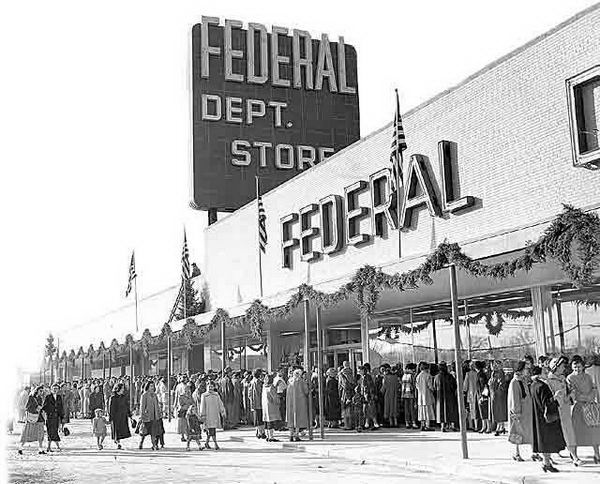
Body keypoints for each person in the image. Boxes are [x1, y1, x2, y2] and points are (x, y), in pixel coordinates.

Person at [530, 365, 565, 473]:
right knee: (547, 441)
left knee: (543, 441)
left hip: (538, 416)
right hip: (546, 418)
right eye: (544, 372)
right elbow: (547, 403)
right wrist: (556, 397)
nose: (546, 373)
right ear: (539, 374)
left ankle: (546, 463)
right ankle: (547, 464)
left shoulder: (533, 385)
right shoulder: (542, 386)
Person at [567, 354, 600, 464]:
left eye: (579, 366)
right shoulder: (570, 378)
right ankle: (574, 455)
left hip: (590, 406)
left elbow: (594, 388)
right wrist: (585, 398)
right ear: (572, 367)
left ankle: (596, 454)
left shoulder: (588, 376)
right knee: (576, 431)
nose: (577, 369)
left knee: (593, 430)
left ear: (583, 366)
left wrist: (591, 397)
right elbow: (573, 393)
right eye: (575, 367)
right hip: (579, 407)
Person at [547, 356, 578, 464]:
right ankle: (548, 456)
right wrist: (556, 398)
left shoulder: (564, 378)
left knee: (569, 431)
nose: (564, 368)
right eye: (561, 366)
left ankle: (574, 455)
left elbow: (571, 390)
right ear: (555, 367)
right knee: (552, 432)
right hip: (556, 410)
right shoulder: (549, 380)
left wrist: (571, 394)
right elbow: (549, 397)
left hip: (565, 409)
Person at [508, 360, 533, 461]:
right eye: (526, 369)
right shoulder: (515, 382)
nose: (528, 370)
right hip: (519, 412)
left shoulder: (523, 380)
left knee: (530, 431)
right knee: (517, 432)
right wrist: (516, 412)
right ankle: (516, 452)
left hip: (527, 411)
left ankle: (534, 452)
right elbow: (514, 398)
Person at [18, 386, 46, 455]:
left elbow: (41, 407)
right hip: (31, 418)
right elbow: (27, 407)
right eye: (40, 391)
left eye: (42, 391)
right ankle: (20, 448)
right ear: (36, 391)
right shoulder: (31, 398)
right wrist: (35, 409)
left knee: (40, 433)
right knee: (26, 433)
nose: (41, 392)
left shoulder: (40, 398)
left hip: (39, 418)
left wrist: (41, 409)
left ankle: (40, 449)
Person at [199, 380, 226, 450]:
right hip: (207, 415)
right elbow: (202, 406)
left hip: (215, 415)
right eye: (209, 386)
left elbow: (220, 404)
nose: (210, 388)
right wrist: (202, 415)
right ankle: (215, 444)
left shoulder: (216, 395)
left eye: (211, 386)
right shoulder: (204, 395)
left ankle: (207, 443)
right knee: (211, 429)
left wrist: (223, 412)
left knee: (211, 429)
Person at [433, 361, 458, 432]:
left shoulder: (436, 377)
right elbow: (454, 386)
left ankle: (442, 426)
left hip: (440, 397)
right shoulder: (450, 376)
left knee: (441, 410)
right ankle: (453, 426)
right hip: (450, 396)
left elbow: (434, 387)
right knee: (451, 410)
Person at [286, 368, 309, 441]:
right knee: (298, 418)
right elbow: (306, 391)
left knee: (291, 418)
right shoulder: (301, 381)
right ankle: (296, 435)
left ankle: (290, 435)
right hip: (300, 402)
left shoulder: (289, 381)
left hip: (290, 403)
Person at [139, 381, 162, 450]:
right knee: (144, 432)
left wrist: (159, 413)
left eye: (153, 386)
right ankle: (141, 442)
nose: (152, 387)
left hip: (154, 416)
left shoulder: (155, 395)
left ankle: (154, 445)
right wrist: (142, 415)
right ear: (148, 387)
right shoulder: (144, 395)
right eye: (151, 386)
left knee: (153, 432)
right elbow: (142, 406)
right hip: (147, 416)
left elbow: (157, 405)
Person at [42, 383, 64, 452]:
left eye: (56, 389)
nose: (55, 390)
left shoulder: (59, 397)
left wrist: (61, 416)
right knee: (50, 431)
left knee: (55, 431)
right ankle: (49, 447)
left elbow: (61, 407)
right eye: (54, 389)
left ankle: (55, 446)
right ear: (51, 389)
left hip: (56, 416)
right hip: (50, 417)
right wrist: (50, 411)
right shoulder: (48, 397)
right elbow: (44, 407)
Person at [108, 383, 132, 450]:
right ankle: (117, 442)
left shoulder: (124, 397)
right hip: (116, 417)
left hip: (123, 416)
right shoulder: (113, 397)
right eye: (122, 388)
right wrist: (111, 418)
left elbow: (127, 406)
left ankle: (118, 441)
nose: (123, 390)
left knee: (122, 430)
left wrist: (129, 415)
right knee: (116, 430)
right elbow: (111, 408)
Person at [488, 361, 508, 435]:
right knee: (496, 410)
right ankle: (500, 426)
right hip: (494, 394)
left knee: (500, 410)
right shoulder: (493, 373)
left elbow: (502, 384)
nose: (493, 366)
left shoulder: (500, 373)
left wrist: (497, 391)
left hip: (499, 395)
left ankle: (500, 426)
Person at [358, 363, 379, 430]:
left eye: (360, 371)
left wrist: (371, 395)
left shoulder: (367, 377)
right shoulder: (363, 377)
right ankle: (367, 424)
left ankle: (374, 424)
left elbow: (370, 387)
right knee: (366, 410)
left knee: (370, 410)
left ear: (363, 371)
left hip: (368, 396)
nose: (359, 372)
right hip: (365, 396)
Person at [415, 362, 435, 431]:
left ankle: (422, 424)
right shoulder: (428, 375)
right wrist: (433, 390)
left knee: (421, 411)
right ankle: (427, 425)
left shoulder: (418, 376)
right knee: (427, 411)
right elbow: (430, 386)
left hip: (420, 396)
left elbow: (417, 387)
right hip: (427, 396)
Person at [262, 373, 281, 442]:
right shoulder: (271, 387)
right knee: (271, 422)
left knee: (267, 421)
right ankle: (271, 437)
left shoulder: (264, 387)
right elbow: (274, 397)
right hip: (271, 406)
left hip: (265, 406)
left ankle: (268, 436)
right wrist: (278, 401)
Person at [338, 361, 355, 430]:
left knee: (345, 410)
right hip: (352, 393)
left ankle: (347, 425)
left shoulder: (342, 374)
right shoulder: (351, 373)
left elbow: (344, 385)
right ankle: (351, 424)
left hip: (345, 394)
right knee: (350, 409)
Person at [249, 369, 266, 439]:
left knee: (256, 418)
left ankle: (258, 432)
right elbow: (260, 392)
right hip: (259, 402)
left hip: (254, 402)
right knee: (260, 418)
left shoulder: (252, 381)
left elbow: (249, 394)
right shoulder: (258, 382)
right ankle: (261, 432)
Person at [475, 361, 491, 433]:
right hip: (482, 394)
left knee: (484, 411)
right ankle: (485, 426)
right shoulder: (481, 374)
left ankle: (487, 427)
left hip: (482, 395)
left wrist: (482, 395)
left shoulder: (480, 375)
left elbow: (482, 385)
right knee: (483, 411)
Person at [401, 363, 418, 429]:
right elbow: (414, 385)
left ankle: (407, 422)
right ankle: (413, 422)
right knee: (412, 409)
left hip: (405, 394)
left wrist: (402, 395)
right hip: (411, 393)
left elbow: (403, 386)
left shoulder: (404, 375)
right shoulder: (412, 375)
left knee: (406, 409)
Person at [463, 361, 479, 431]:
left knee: (471, 410)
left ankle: (471, 425)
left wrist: (464, 392)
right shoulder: (477, 374)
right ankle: (477, 425)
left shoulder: (468, 374)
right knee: (476, 410)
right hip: (477, 394)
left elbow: (465, 386)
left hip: (470, 394)